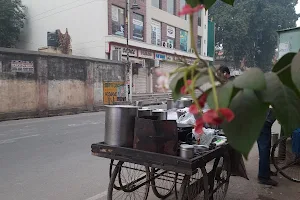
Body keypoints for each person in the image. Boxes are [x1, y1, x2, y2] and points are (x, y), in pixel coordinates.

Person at [257, 107, 278, 186]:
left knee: (266, 147)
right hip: (263, 121)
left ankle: (265, 171)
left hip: (263, 118)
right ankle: (263, 177)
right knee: (264, 149)